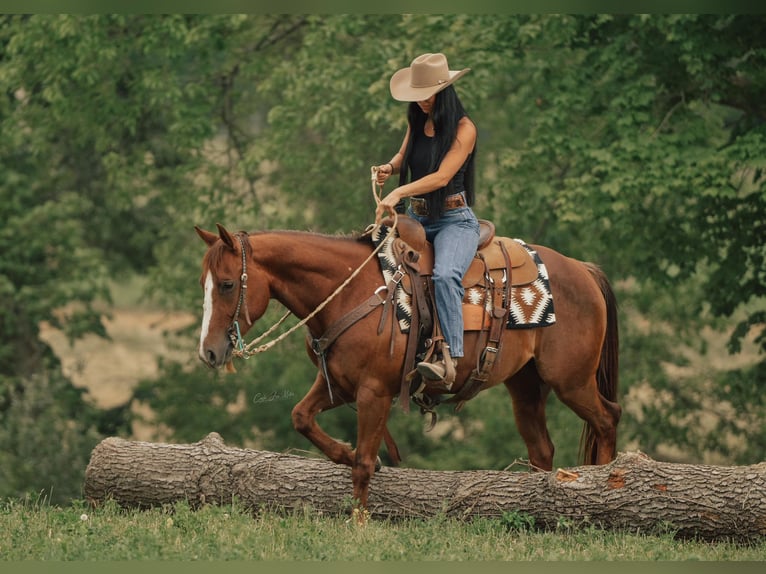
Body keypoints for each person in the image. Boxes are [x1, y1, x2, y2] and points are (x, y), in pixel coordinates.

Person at [374, 52, 480, 390]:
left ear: (444, 92)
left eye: (426, 95)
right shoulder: (418, 120)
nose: (420, 101)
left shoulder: (464, 129)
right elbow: (404, 154)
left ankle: (451, 354)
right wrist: (389, 169)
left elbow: (441, 176)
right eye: (416, 95)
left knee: (446, 275)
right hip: (417, 217)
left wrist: (398, 191)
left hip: (454, 220)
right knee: (371, 258)